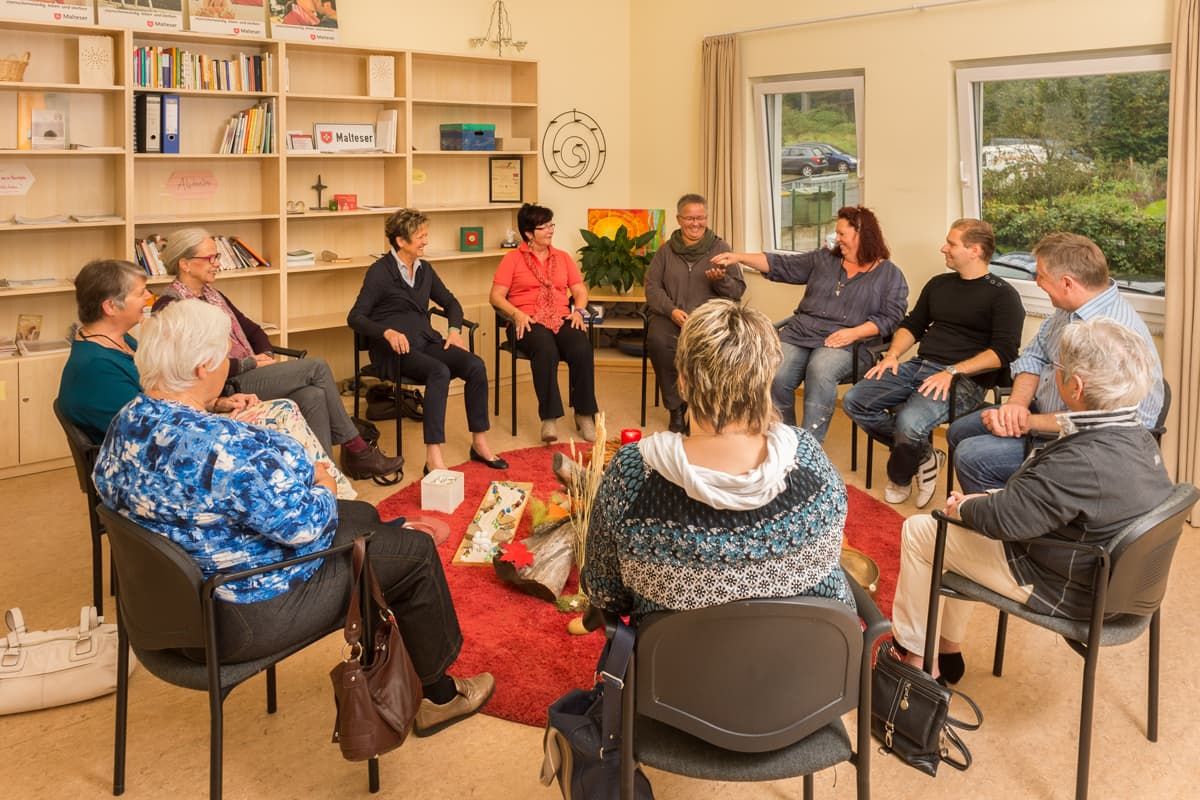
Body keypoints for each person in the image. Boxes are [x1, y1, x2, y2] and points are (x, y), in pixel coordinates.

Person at [92, 299, 494, 733]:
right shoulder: (224, 448)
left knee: (361, 515)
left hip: (166, 613)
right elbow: (304, 526)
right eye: (224, 354)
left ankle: (389, 644)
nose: (230, 362)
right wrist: (320, 479)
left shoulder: (127, 421)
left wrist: (216, 410)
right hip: (241, 616)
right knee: (412, 554)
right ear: (201, 367)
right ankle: (439, 697)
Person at [888, 317, 1174, 682]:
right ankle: (947, 646)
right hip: (1115, 578)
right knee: (965, 518)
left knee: (922, 531)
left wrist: (964, 507)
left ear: (1076, 385)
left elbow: (1004, 522)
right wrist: (983, 502)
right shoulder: (1137, 435)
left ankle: (914, 659)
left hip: (1068, 587)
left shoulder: (1080, 458)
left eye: (1059, 368)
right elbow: (1047, 502)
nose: (1056, 374)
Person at [582, 299, 853, 621]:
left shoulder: (632, 474)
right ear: (766, 377)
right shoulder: (811, 461)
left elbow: (605, 593)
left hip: (679, 670)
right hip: (807, 666)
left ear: (683, 381)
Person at [58, 259, 359, 498]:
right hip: (160, 464)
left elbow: (163, 398)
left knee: (304, 399)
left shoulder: (120, 343)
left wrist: (218, 403)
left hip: (176, 434)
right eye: (140, 294)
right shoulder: (95, 368)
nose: (149, 298)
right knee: (286, 410)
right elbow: (153, 429)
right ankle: (323, 487)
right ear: (111, 306)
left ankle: (319, 483)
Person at [153, 227, 403, 481]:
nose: (217, 264)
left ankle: (328, 478)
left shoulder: (212, 294)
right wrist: (249, 363)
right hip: (222, 386)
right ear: (185, 264)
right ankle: (357, 449)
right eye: (211, 258)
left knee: (313, 394)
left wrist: (264, 356)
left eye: (217, 257)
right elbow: (188, 364)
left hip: (249, 371)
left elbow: (253, 330)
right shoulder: (171, 305)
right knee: (317, 367)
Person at [947, 232, 1164, 493]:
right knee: (957, 431)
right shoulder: (1069, 309)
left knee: (972, 456)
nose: (1036, 282)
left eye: (1040, 276)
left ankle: (1011, 521)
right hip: (1043, 412)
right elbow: (1035, 354)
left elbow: (1097, 419)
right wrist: (1016, 406)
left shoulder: (1110, 334)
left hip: (1088, 442)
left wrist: (1027, 423)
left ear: (1068, 283)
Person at [842, 218, 1024, 508]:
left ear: (974, 250)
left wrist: (953, 372)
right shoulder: (939, 284)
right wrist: (892, 356)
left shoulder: (1003, 296)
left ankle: (899, 477)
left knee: (909, 422)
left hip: (963, 380)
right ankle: (925, 456)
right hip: (920, 365)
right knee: (855, 400)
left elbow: (1003, 352)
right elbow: (912, 324)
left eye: (951, 244)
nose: (944, 249)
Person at [712, 205, 908, 442]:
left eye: (842, 234)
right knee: (775, 369)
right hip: (801, 332)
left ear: (862, 235)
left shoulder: (889, 274)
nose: (837, 239)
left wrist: (854, 333)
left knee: (820, 369)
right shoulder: (825, 259)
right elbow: (781, 264)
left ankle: (809, 446)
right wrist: (739, 257)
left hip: (849, 343)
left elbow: (891, 317)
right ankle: (785, 440)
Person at [347, 209, 506, 473]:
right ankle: (433, 457)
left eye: (425, 235)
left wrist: (454, 330)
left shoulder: (424, 270)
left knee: (475, 366)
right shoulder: (380, 272)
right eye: (420, 236)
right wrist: (386, 332)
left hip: (425, 341)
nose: (425, 241)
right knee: (439, 372)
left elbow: (451, 302)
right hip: (393, 350)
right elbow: (355, 317)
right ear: (401, 241)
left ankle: (479, 443)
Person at [490, 203, 599, 443]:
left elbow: (579, 289)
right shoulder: (512, 260)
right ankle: (549, 418)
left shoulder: (563, 257)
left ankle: (584, 414)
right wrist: (516, 313)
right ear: (529, 233)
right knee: (545, 348)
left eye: (552, 225)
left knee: (581, 347)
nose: (551, 230)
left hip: (561, 317)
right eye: (545, 226)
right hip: (526, 321)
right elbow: (496, 296)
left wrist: (579, 311)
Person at [644, 193, 745, 433]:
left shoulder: (721, 248)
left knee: (709, 349)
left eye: (700, 218)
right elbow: (652, 287)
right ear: (679, 219)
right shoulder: (666, 251)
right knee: (658, 341)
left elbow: (738, 290)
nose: (695, 223)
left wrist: (721, 281)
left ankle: (700, 407)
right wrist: (672, 310)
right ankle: (676, 408)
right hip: (673, 316)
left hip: (708, 320)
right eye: (690, 218)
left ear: (707, 218)